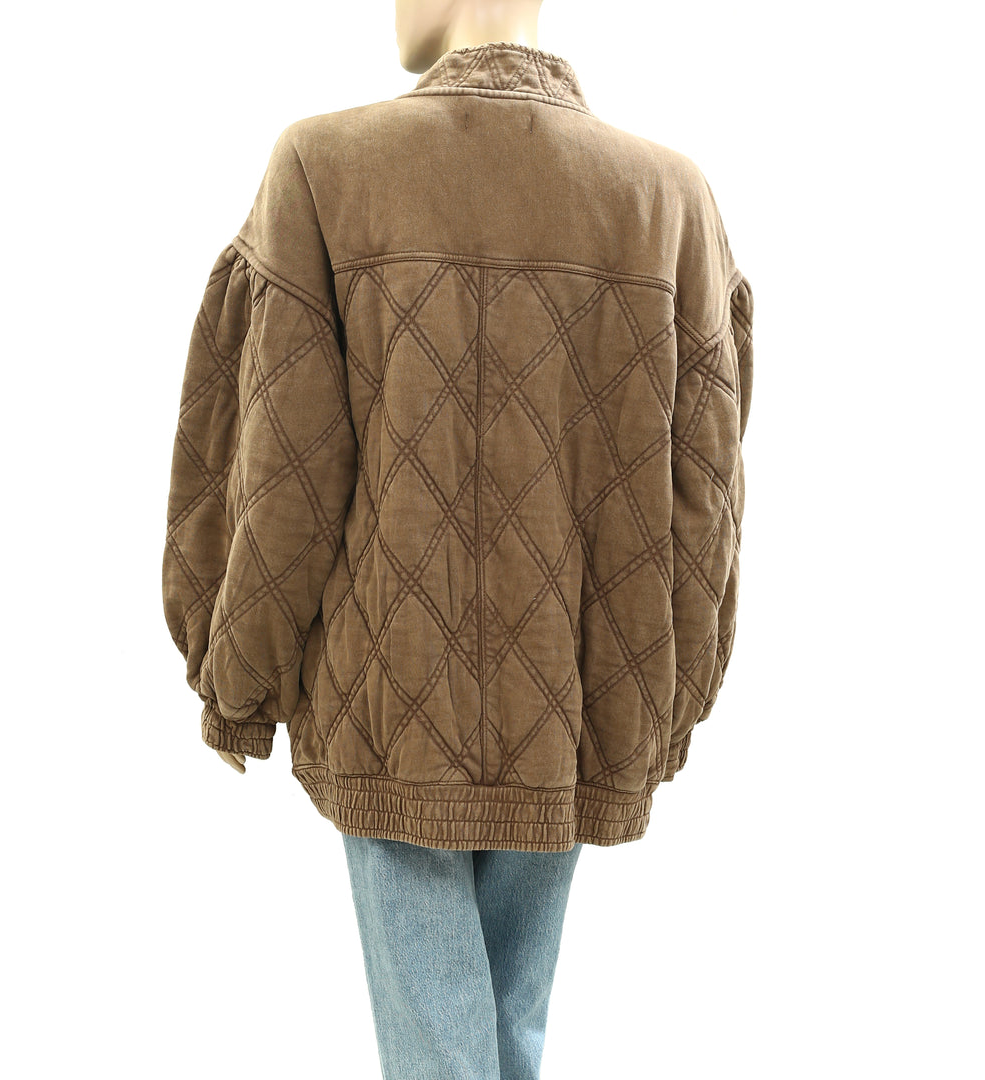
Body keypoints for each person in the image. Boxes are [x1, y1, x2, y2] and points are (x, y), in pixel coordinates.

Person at [162, 2, 754, 1076]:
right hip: (573, 696)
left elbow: (280, 470)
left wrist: (236, 678)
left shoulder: (325, 166)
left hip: (388, 698)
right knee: (505, 1036)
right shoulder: (667, 198)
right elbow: (704, 503)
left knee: (444, 1054)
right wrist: (668, 703)